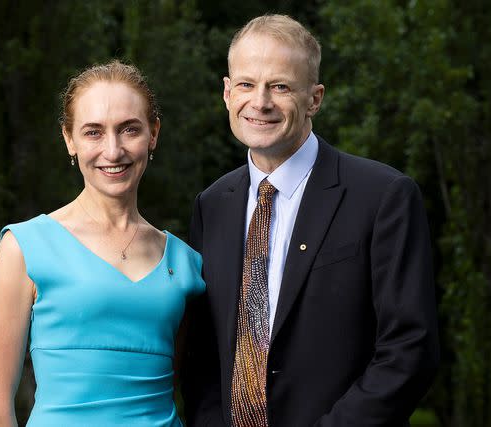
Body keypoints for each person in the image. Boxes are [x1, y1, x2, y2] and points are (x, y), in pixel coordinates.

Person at [184, 14, 439, 427]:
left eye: (280, 86)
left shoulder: (382, 196)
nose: (260, 101)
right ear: (227, 93)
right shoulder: (212, 205)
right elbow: (204, 353)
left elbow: (409, 349)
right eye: (247, 84)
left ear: (314, 98)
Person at [0, 60, 205, 427]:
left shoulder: (186, 262)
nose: (113, 151)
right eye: (93, 132)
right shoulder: (25, 247)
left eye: (129, 130)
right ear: (69, 139)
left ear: (154, 133)